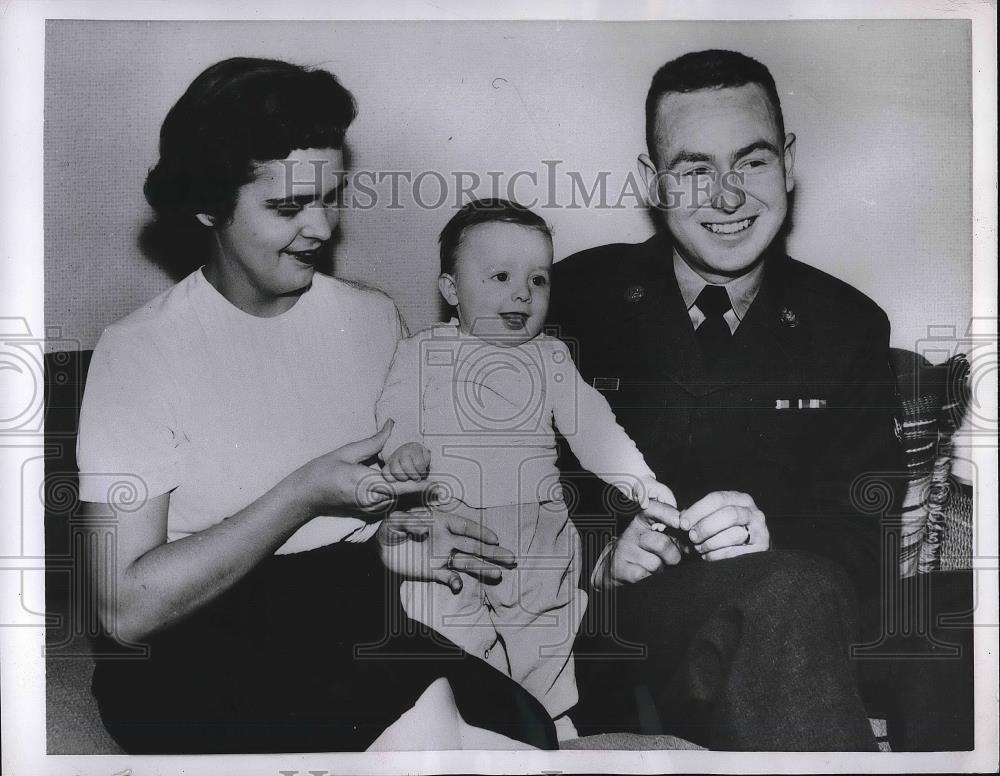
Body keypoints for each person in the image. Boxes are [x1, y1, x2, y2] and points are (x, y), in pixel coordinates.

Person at [76, 57, 558, 754]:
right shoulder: (138, 352)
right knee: (421, 722)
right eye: (285, 207)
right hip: (193, 648)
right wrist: (302, 494)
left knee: (526, 729)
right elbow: (123, 610)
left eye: (329, 197)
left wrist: (406, 537)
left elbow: (389, 510)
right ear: (209, 204)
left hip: (344, 614)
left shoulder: (372, 319)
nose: (320, 227)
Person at [551, 48, 973, 752]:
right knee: (785, 595)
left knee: (967, 611)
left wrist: (769, 534)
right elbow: (511, 481)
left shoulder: (848, 323)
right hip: (630, 625)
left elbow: (860, 527)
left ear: (789, 163)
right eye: (694, 171)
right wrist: (602, 552)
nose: (728, 196)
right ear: (650, 182)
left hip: (804, 598)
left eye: (751, 162)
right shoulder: (571, 299)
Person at [375, 198, 676, 742]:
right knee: (447, 624)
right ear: (450, 291)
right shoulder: (421, 351)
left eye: (539, 279)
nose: (523, 292)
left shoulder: (550, 356)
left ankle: (551, 724)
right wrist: (402, 451)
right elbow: (395, 411)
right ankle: (480, 725)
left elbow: (594, 426)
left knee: (545, 628)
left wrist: (639, 480)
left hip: (536, 529)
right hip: (449, 525)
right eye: (500, 276)